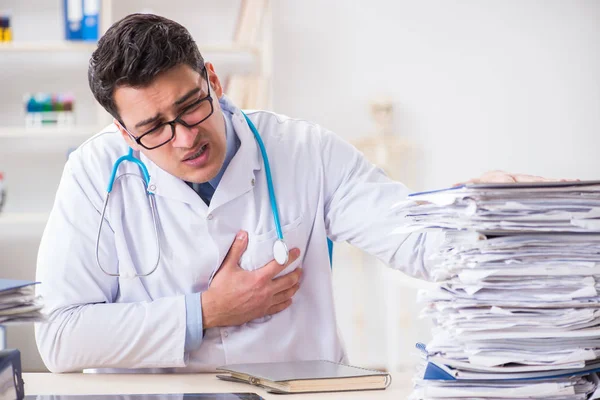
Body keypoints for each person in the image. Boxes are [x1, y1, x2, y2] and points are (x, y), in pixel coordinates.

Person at [34, 13, 553, 373]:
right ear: (125, 134)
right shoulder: (93, 173)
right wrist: (205, 312)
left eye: (191, 106)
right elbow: (59, 337)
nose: (186, 137)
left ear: (214, 80)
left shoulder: (305, 150)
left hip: (297, 392)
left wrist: (489, 218)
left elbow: (417, 242)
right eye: (153, 129)